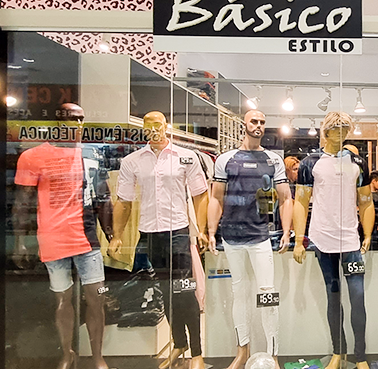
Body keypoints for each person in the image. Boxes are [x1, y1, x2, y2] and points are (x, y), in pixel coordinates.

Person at [13, 103, 113, 369]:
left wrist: (112, 234)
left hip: (86, 236)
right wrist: (20, 242)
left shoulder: (91, 153)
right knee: (62, 299)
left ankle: (97, 356)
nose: (77, 125)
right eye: (71, 120)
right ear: (58, 123)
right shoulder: (33, 156)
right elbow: (22, 202)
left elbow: (103, 196)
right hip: (52, 237)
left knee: (96, 298)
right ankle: (68, 353)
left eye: (81, 120)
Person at [109, 111, 209, 369]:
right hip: (150, 234)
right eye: (148, 125)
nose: (153, 130)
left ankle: (197, 352)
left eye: (157, 124)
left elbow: (200, 195)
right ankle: (179, 343)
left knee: (184, 291)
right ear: (142, 129)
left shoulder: (186, 157)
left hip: (178, 231)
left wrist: (203, 230)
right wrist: (117, 236)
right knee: (165, 292)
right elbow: (124, 201)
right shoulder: (132, 161)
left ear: (166, 126)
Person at [207, 110, 293, 369]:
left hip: (260, 236)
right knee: (240, 293)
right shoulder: (226, 159)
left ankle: (273, 354)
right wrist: (210, 232)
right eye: (254, 121)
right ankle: (242, 351)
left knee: (267, 294)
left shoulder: (273, 160)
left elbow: (286, 198)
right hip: (232, 235)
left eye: (262, 122)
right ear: (244, 124)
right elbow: (216, 198)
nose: (258, 126)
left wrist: (286, 231)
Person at [293, 111, 374, 369]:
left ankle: (360, 356)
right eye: (336, 127)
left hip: (351, 241)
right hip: (323, 240)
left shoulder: (357, 163)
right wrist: (299, 239)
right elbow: (300, 202)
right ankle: (339, 352)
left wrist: (368, 234)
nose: (341, 132)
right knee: (333, 296)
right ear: (326, 131)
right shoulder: (310, 163)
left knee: (358, 298)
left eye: (345, 128)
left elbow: (366, 201)